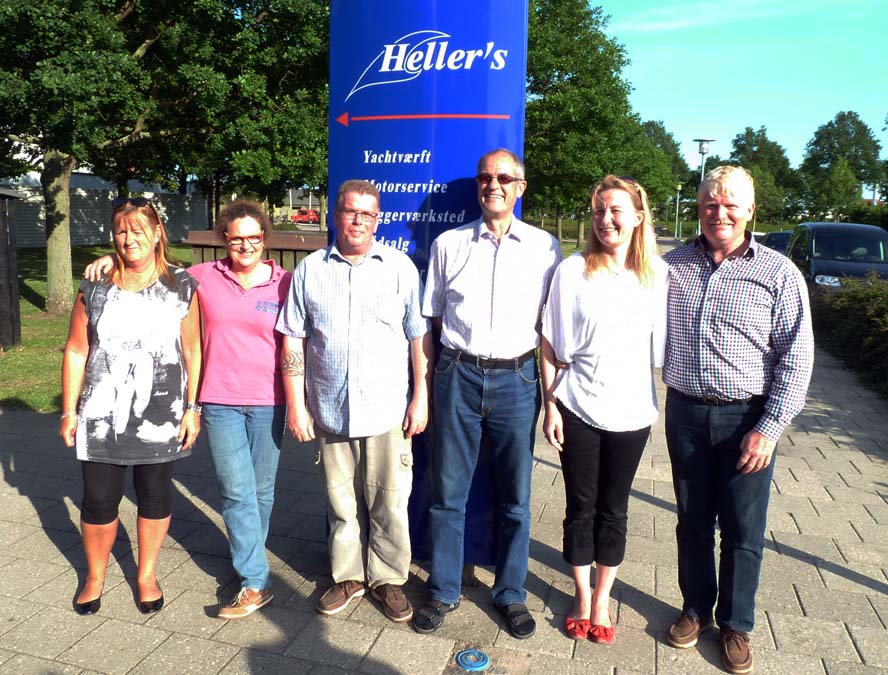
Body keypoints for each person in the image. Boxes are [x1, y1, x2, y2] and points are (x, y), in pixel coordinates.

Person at [84, 198, 291, 620]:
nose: (245, 246)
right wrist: (112, 256)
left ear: (265, 239)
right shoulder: (202, 278)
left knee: (262, 492)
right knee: (236, 491)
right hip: (219, 399)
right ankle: (254, 581)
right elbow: (149, 266)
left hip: (272, 400)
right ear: (224, 241)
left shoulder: (287, 283)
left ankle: (248, 561)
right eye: (236, 239)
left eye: (254, 238)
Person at [662, 166, 813, 674]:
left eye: (730, 205)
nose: (718, 212)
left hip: (746, 418)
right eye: (709, 203)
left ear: (750, 210)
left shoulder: (778, 273)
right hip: (684, 412)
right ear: (698, 208)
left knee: (744, 528)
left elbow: (797, 357)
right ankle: (696, 609)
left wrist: (769, 428)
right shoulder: (672, 266)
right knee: (692, 521)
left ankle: (737, 624)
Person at [415, 149, 561, 639]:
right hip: (457, 374)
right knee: (447, 493)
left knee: (516, 497)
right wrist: (430, 387)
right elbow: (432, 321)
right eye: (484, 177)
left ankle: (511, 593)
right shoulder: (449, 244)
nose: (492, 185)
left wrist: (552, 397)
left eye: (503, 178)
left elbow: (549, 328)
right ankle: (443, 590)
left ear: (521, 187)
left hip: (518, 380)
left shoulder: (545, 248)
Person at [276, 180, 431, 624]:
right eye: (349, 212)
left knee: (390, 501)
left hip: (386, 411)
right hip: (330, 409)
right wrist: (296, 404)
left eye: (366, 213)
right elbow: (293, 336)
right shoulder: (310, 270)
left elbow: (418, 338)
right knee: (341, 503)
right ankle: (348, 577)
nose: (357, 220)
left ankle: (387, 580)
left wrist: (420, 398)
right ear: (334, 215)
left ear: (378, 219)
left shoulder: (400, 269)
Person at [540, 175, 668, 644]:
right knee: (580, 506)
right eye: (598, 211)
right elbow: (550, 343)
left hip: (633, 411)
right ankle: (580, 594)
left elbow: (668, 348)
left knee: (614, 510)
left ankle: (603, 599)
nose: (606, 219)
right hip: (578, 405)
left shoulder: (657, 275)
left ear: (637, 217)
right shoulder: (572, 271)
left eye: (616, 210)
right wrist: (550, 405)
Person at [61, 196, 201, 616]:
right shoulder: (95, 285)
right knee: (98, 499)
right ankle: (95, 576)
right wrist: (69, 410)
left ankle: (146, 574)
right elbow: (75, 350)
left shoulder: (182, 285)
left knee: (155, 495)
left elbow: (192, 349)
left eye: (139, 230)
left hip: (162, 412)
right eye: (122, 231)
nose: (129, 239)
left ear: (157, 233)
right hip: (101, 414)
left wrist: (194, 406)